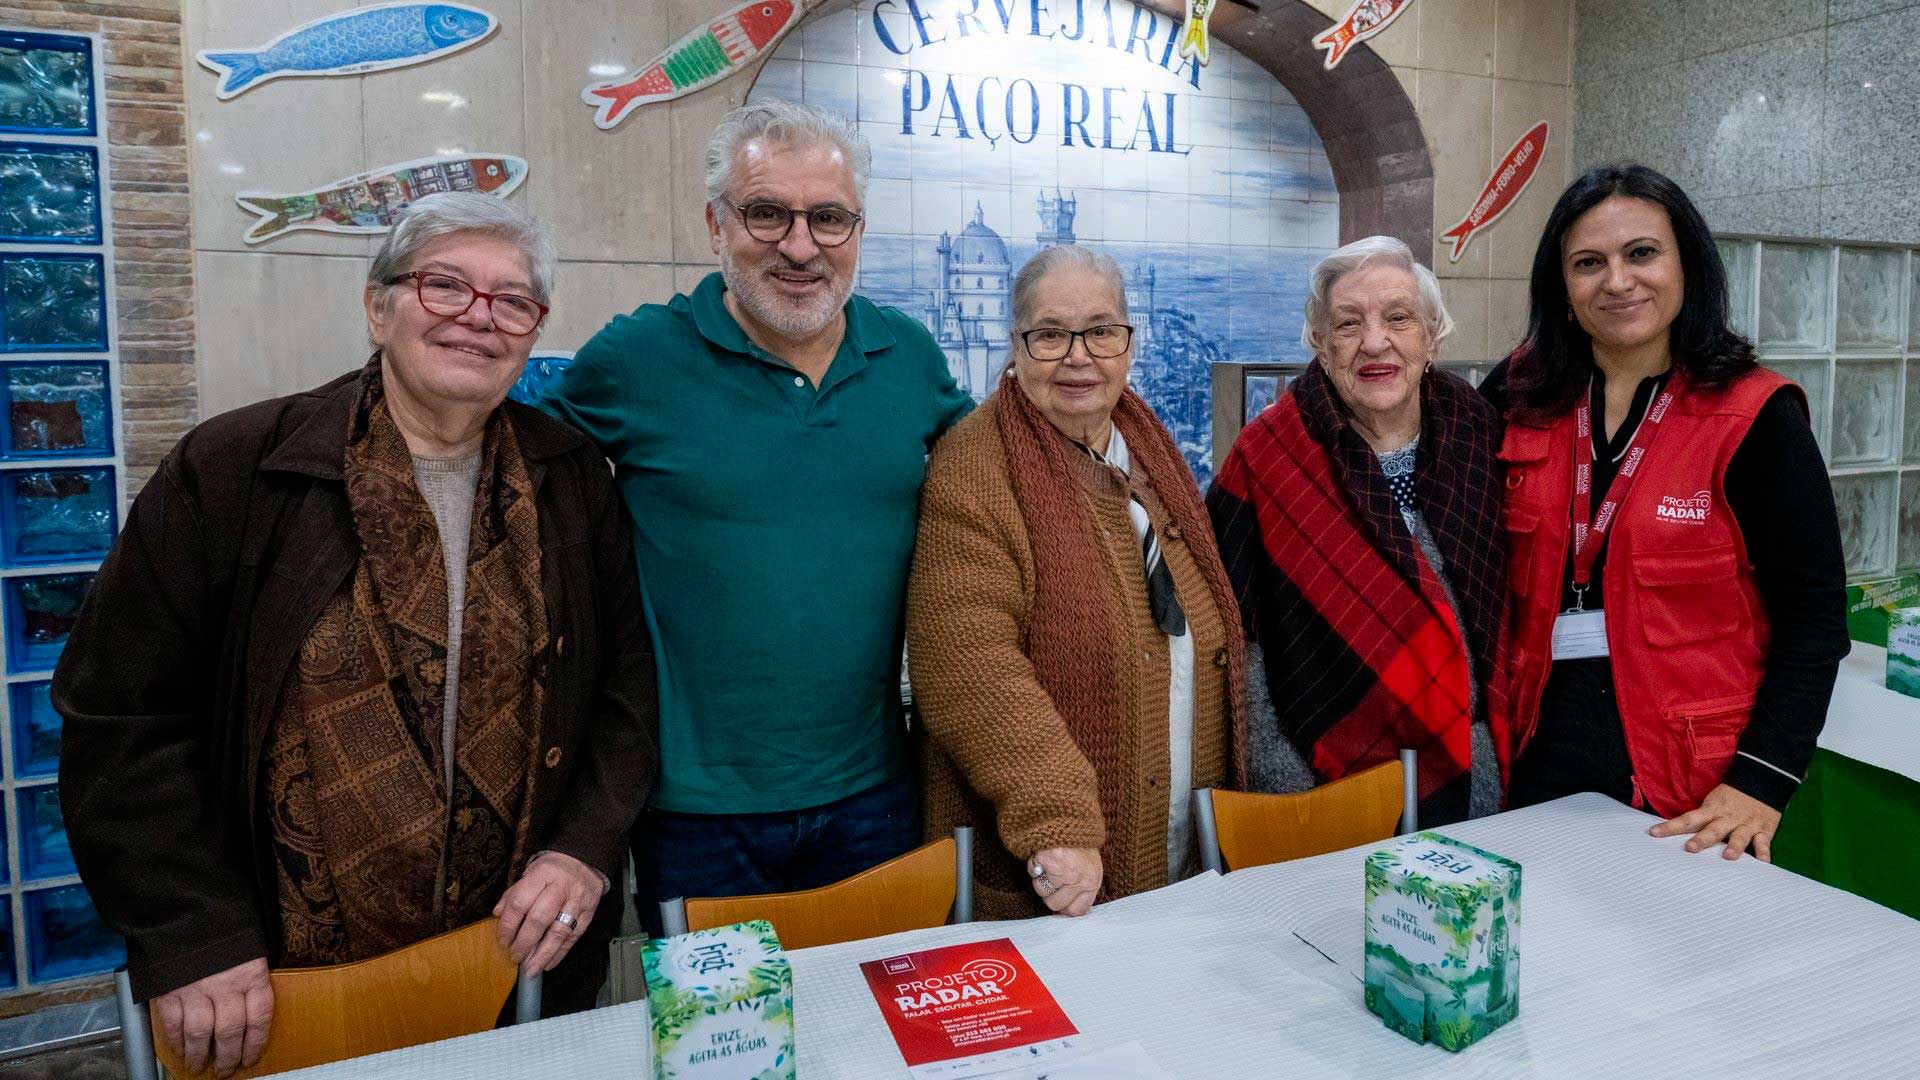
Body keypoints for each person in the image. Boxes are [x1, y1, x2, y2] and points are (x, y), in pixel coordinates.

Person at [55, 193, 658, 1077]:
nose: (477, 319)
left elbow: (625, 687)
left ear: (533, 331)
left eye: (512, 301)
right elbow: (120, 718)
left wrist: (585, 851)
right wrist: (193, 931)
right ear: (379, 307)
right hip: (277, 972)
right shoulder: (234, 472)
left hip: (516, 961)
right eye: (445, 286)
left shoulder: (570, 478)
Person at [534, 101, 972, 927]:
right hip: (693, 808)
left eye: (828, 218)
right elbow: (519, 485)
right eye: (767, 213)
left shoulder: (907, 356)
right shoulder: (637, 358)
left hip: (875, 793)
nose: (800, 246)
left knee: (871, 1036)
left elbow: (993, 478)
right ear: (715, 225)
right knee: (722, 1047)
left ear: (858, 229)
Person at [1482, 163, 1849, 861]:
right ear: (1561, 285)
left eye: (1642, 253)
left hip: (1694, 780)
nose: (1617, 282)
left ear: (1689, 266)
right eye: (1589, 263)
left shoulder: (1757, 415)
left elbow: (1814, 619)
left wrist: (1762, 780)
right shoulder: (1518, 393)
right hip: (1531, 748)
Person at [907, 244, 1245, 920]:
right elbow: (968, 664)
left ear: (1127, 342)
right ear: (1015, 346)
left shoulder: (1148, 444)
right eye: (1051, 334)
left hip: (1184, 855)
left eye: (1099, 331)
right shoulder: (974, 465)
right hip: (1056, 882)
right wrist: (1056, 819)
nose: (1079, 356)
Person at [1208, 236, 1507, 827]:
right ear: (1319, 344)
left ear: (1432, 335)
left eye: (1399, 318)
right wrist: (1300, 794)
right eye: (1348, 324)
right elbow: (1235, 645)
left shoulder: (1478, 431)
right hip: (1319, 786)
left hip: (1477, 775)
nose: (1375, 342)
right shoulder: (1266, 457)